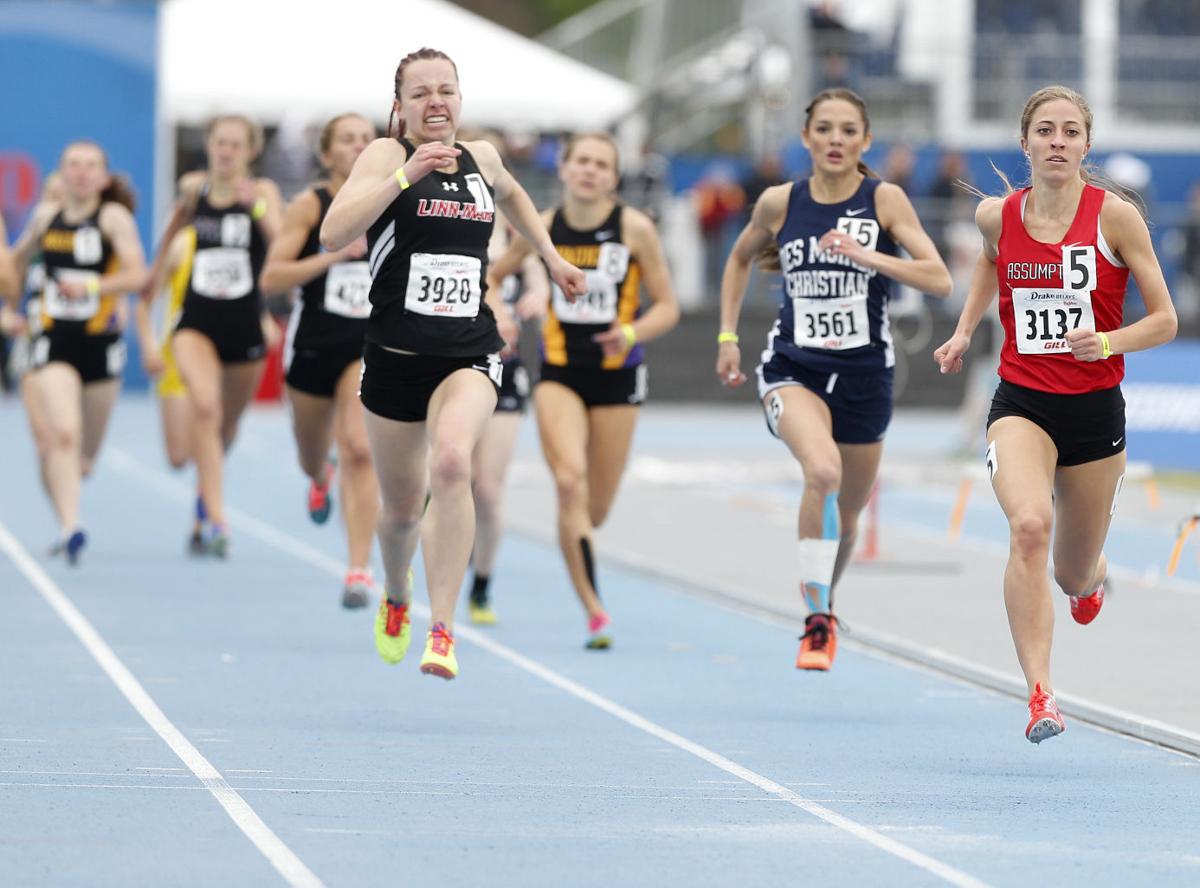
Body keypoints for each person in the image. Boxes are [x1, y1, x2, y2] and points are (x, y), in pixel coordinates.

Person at [320, 47, 586, 680]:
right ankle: (396, 592)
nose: (435, 101)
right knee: (401, 511)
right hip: (393, 358)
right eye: (420, 93)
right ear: (400, 107)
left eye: (447, 90)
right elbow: (334, 232)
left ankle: (443, 629)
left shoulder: (483, 157)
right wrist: (405, 177)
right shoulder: (386, 157)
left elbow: (519, 199)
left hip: (468, 350)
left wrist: (551, 259)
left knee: (451, 460)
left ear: (461, 99)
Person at [934, 85, 1177, 743]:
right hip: (1022, 402)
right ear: (1025, 142)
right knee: (1030, 526)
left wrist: (1106, 341)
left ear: (1086, 145)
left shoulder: (1115, 218)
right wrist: (963, 331)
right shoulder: (997, 215)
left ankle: (1091, 578)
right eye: (1046, 131)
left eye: (1071, 132)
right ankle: (1042, 696)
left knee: (1071, 568)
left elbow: (1165, 319)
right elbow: (990, 263)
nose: (1058, 142)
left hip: (1096, 412)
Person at [716, 88, 952, 671]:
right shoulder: (780, 202)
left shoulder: (885, 198)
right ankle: (817, 621)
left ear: (865, 141)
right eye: (824, 129)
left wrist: (870, 256)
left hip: (866, 373)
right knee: (821, 470)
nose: (836, 140)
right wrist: (727, 336)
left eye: (849, 130)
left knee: (847, 515)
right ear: (806, 138)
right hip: (793, 366)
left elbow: (939, 278)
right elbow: (741, 256)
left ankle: (825, 600)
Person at [489, 132, 680, 649]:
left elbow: (668, 306)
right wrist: (501, 309)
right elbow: (491, 275)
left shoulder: (635, 229)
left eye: (601, 164)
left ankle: (583, 557)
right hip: (560, 370)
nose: (591, 171)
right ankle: (594, 610)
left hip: (618, 374)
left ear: (613, 177)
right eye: (582, 162)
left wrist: (632, 332)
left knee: (594, 509)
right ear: (566, 170)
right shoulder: (543, 227)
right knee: (569, 484)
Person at [141, 115, 283, 557]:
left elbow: (282, 246)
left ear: (250, 151)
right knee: (204, 407)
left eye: (236, 145)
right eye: (220, 143)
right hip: (196, 322)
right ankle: (218, 517)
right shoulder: (193, 191)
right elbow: (166, 247)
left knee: (224, 426)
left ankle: (203, 499)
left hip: (243, 325)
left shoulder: (263, 193)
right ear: (209, 145)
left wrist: (254, 208)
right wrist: (148, 308)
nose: (226, 152)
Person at [259, 112, 380, 608]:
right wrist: (333, 254)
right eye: (347, 140)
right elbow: (272, 279)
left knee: (358, 447)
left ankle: (358, 569)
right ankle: (317, 477)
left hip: (368, 345)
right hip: (312, 345)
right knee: (313, 453)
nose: (357, 146)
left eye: (366, 139)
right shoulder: (311, 206)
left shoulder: (392, 202)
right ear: (327, 155)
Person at [9, 142, 147, 562]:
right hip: (53, 339)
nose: (82, 173)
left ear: (104, 178)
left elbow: (137, 275)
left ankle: (67, 477)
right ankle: (71, 526)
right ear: (61, 174)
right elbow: (13, 268)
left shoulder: (112, 218)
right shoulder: (45, 217)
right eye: (73, 165)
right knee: (61, 433)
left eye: (91, 166)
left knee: (83, 455)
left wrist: (92, 288)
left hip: (100, 345)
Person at [465, 239, 549, 626]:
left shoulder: (519, 246)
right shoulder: (455, 222)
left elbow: (538, 277)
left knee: (488, 489)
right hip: (456, 367)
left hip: (505, 374)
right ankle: (448, 542)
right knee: (451, 475)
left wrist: (540, 295)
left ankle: (482, 584)